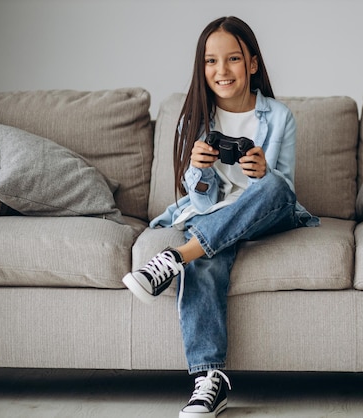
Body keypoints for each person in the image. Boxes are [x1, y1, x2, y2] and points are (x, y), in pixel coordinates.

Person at [122, 16, 318, 418]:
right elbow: (202, 203)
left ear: (252, 64)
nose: (221, 70)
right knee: (206, 260)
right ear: (202, 67)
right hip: (217, 219)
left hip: (269, 213)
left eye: (232, 59)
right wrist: (199, 171)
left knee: (274, 186)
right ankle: (208, 381)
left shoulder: (279, 116)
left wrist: (263, 172)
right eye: (211, 61)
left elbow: (285, 189)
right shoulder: (197, 119)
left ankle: (173, 259)